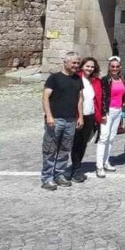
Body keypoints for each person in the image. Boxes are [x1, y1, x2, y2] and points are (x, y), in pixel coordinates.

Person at [41, 52, 84, 190]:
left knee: (65, 149)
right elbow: (45, 97)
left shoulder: (78, 79)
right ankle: (47, 178)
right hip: (56, 119)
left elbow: (80, 99)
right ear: (65, 63)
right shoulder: (54, 78)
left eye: (78, 63)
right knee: (50, 149)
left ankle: (59, 174)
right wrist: (49, 116)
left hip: (71, 120)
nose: (76, 65)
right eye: (73, 63)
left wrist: (80, 116)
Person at [70, 57, 102, 182]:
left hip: (90, 115)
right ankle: (74, 170)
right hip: (78, 116)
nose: (90, 68)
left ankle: (77, 167)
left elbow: (97, 99)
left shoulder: (95, 81)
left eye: (92, 67)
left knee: (83, 143)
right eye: (87, 66)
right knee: (76, 143)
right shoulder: (76, 79)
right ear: (82, 66)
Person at [95, 56, 125, 177]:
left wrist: (123, 109)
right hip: (108, 111)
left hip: (118, 111)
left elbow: (123, 96)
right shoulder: (105, 80)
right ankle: (99, 165)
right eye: (112, 66)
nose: (115, 69)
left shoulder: (122, 79)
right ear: (109, 67)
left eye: (117, 67)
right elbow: (101, 98)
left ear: (120, 67)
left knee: (111, 138)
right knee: (103, 138)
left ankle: (106, 162)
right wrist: (102, 113)